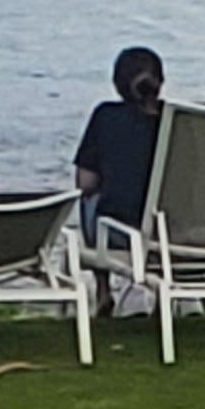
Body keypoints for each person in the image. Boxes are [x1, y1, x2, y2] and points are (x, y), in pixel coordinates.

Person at [73, 45, 166, 261]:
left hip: (121, 234)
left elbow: (85, 184)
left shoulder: (105, 117)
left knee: (89, 199)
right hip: (175, 233)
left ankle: (103, 288)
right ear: (161, 82)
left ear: (117, 85)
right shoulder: (181, 121)